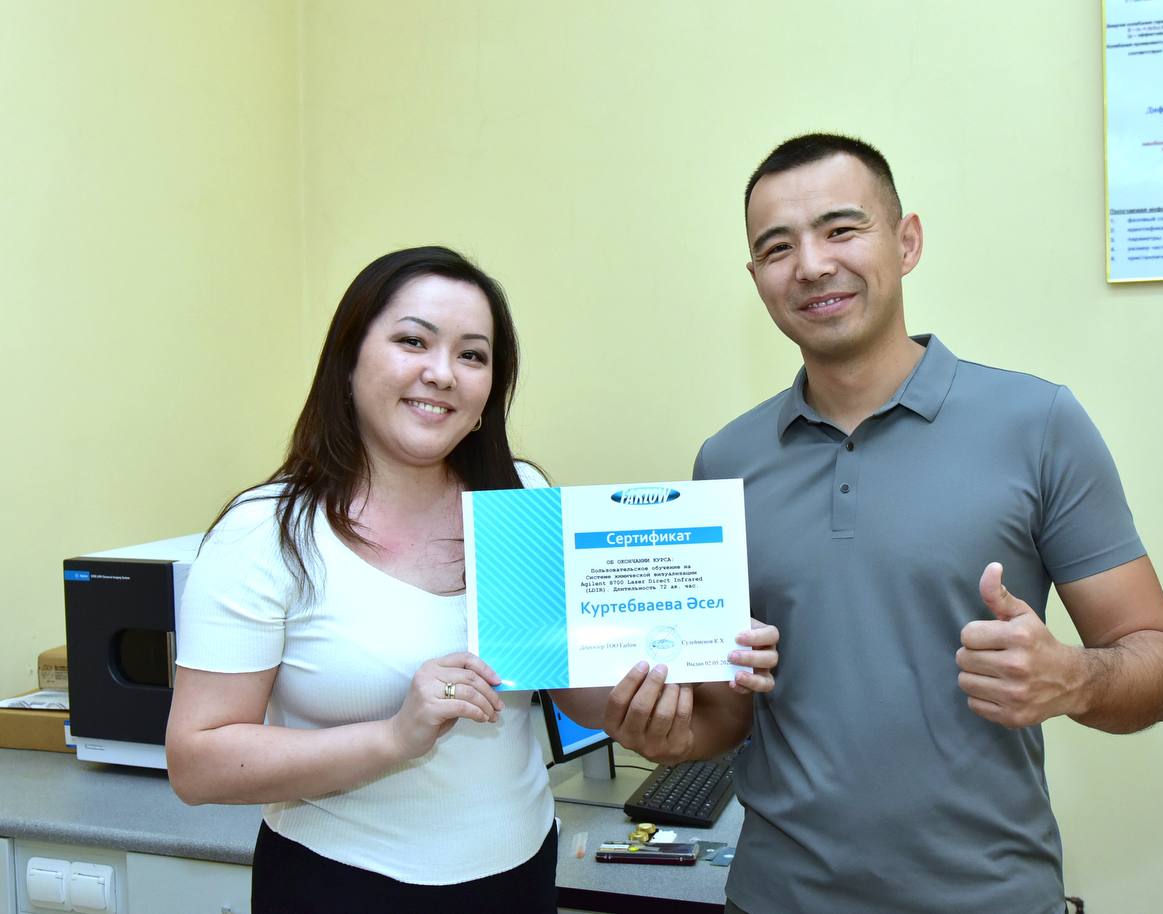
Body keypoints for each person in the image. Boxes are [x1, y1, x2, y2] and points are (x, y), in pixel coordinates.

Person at [616, 135, 1163, 914]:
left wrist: (1073, 678)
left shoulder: (1038, 423)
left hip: (989, 898)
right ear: (757, 279)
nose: (811, 264)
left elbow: (1162, 664)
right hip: (776, 897)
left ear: (907, 241)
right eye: (778, 247)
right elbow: (732, 711)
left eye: (841, 229)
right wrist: (669, 733)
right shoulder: (726, 461)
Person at [165, 245, 779, 914]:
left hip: (517, 877)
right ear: (348, 360)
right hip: (342, 885)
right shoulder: (267, 532)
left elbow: (572, 690)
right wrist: (394, 738)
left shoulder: (516, 500)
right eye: (412, 341)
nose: (441, 374)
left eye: (472, 355)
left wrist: (692, 665)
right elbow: (198, 763)